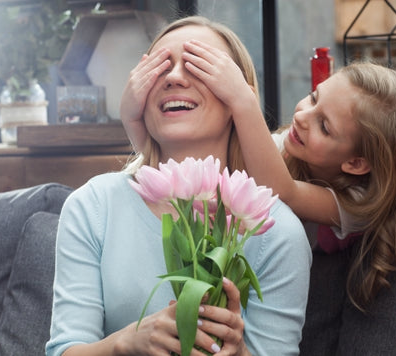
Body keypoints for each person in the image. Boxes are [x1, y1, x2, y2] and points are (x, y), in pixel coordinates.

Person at [46, 16, 311, 356]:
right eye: (159, 67)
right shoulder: (94, 206)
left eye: (199, 65)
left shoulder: (276, 230)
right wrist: (125, 343)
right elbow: (63, 350)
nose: (173, 77)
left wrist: (240, 352)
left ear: (239, 100)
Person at [122, 41, 396, 312]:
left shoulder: (357, 204)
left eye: (324, 126)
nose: (301, 116)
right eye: (314, 97)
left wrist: (243, 100)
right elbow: (171, 166)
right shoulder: (284, 149)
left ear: (356, 163)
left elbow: (280, 192)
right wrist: (132, 118)